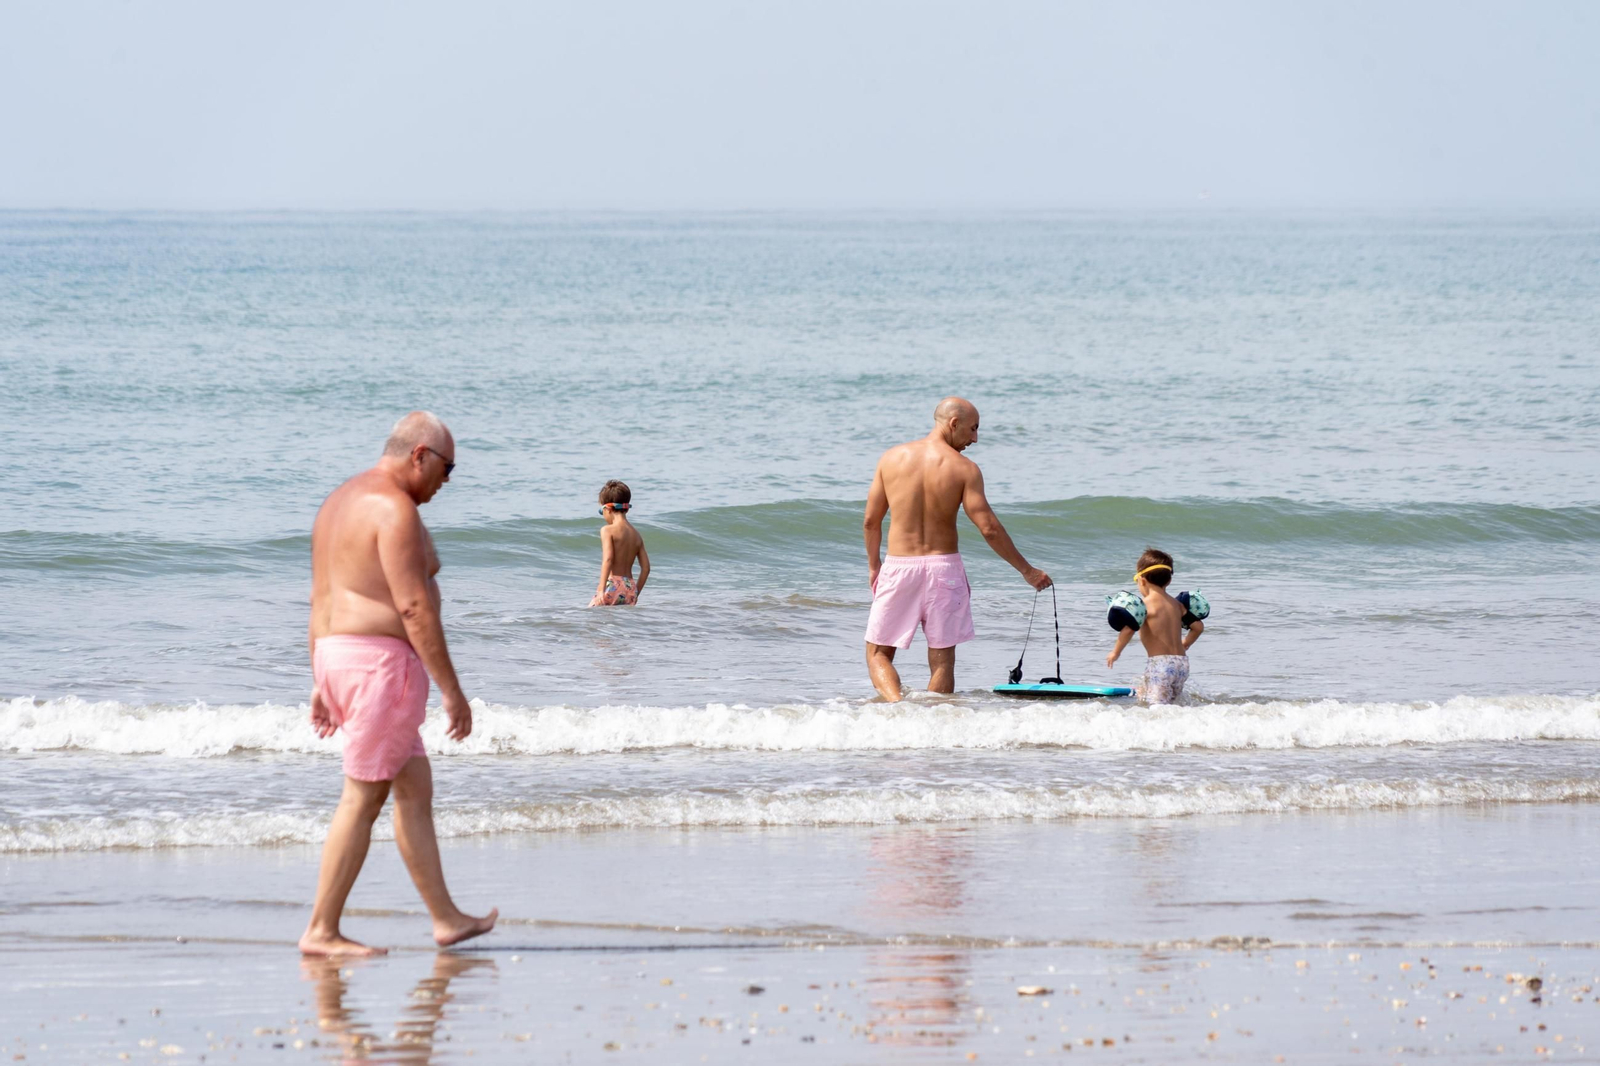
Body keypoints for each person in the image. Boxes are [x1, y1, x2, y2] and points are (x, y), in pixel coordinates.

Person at [301, 411, 497, 956]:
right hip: (381, 667)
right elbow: (412, 607)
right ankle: (321, 930)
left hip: (340, 658)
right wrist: (453, 692)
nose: (446, 481)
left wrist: (321, 677)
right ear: (420, 455)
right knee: (361, 798)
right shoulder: (394, 509)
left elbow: (322, 600)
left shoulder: (337, 503)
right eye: (447, 468)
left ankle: (447, 919)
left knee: (413, 788)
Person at [862, 397, 1052, 701]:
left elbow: (872, 521)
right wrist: (1027, 571)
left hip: (900, 567)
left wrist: (874, 566)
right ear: (953, 424)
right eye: (973, 429)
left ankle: (898, 710)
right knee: (942, 661)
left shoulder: (891, 459)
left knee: (877, 653)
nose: (974, 438)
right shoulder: (965, 469)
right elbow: (988, 527)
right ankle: (933, 725)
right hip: (944, 569)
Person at [1104, 547, 1204, 703]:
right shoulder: (1177, 605)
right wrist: (1185, 643)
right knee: (1172, 703)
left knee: (1157, 706)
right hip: (1182, 664)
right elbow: (1198, 627)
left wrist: (1115, 652)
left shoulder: (1145, 604)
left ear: (1142, 580)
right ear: (1169, 580)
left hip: (1160, 664)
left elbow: (1129, 629)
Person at [589, 480, 650, 606]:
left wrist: (601, 589)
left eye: (601, 512)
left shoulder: (607, 530)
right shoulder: (636, 535)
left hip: (613, 585)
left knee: (590, 616)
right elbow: (646, 568)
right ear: (626, 509)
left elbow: (608, 559)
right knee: (618, 623)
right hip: (630, 587)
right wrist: (636, 592)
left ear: (607, 509)